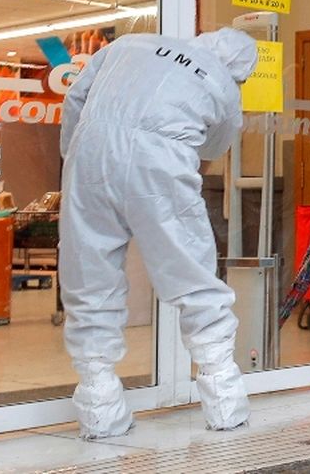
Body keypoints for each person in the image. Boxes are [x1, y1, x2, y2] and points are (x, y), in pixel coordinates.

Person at [58, 27, 258, 439]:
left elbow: (76, 96)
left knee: (88, 272)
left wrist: (75, 153)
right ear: (239, 71)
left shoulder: (131, 43)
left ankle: (99, 408)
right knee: (191, 273)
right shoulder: (223, 85)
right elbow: (214, 147)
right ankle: (224, 402)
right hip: (161, 160)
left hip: (91, 153)